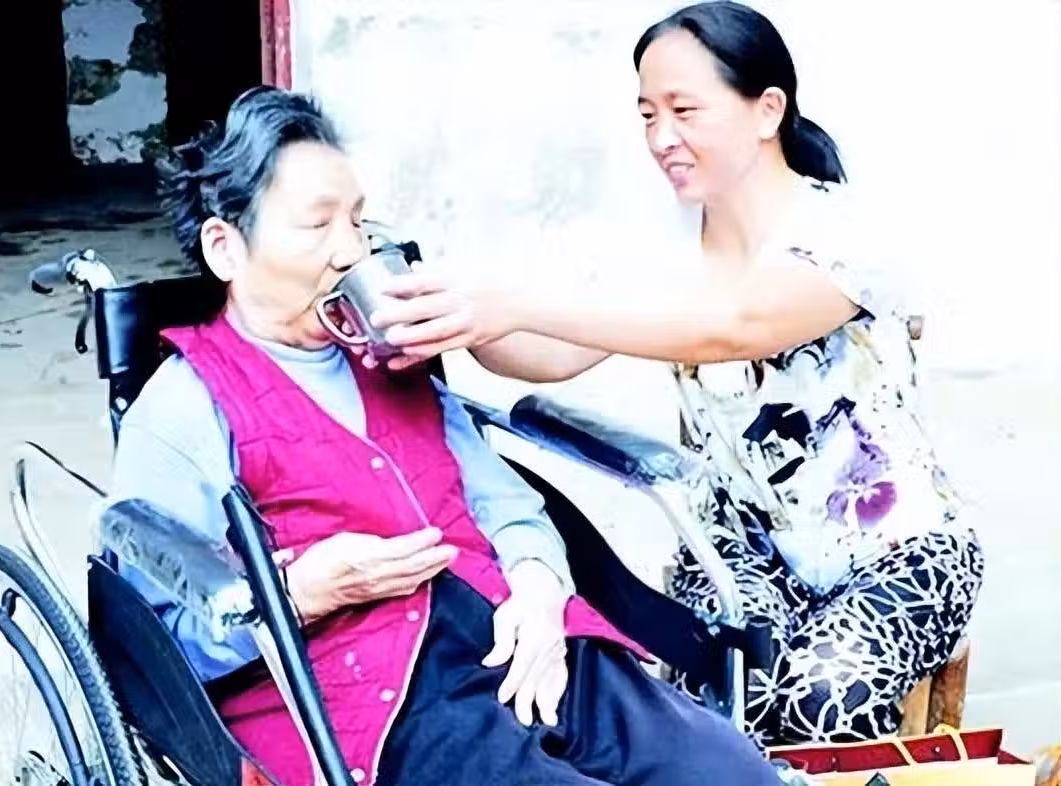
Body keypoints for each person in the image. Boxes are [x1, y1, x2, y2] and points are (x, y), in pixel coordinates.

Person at [105, 86, 780, 786]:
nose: (351, 251)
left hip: (511, 631)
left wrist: (539, 590)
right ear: (226, 247)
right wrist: (299, 595)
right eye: (317, 225)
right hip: (381, 698)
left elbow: (505, 506)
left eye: (357, 221)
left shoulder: (391, 356)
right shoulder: (186, 408)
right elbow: (155, 647)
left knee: (731, 773)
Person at [366, 1, 985, 746]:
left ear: (767, 110)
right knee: (708, 715)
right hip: (738, 553)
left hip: (901, 551)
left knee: (820, 699)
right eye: (647, 114)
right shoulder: (661, 247)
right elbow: (551, 354)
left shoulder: (848, 232)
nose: (662, 137)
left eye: (684, 110)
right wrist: (462, 317)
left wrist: (514, 302)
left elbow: (733, 329)